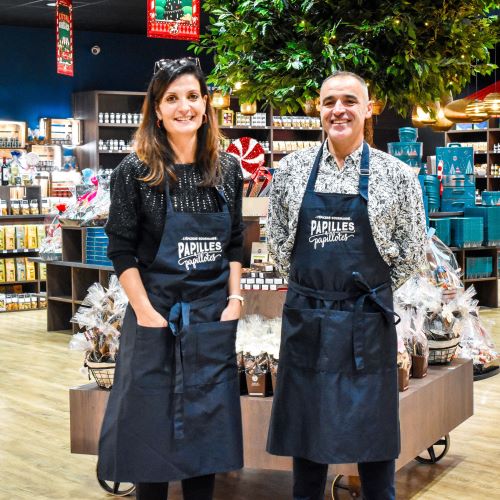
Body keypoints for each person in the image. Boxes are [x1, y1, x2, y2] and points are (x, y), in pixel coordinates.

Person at [266, 71, 427, 500]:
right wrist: (315, 293)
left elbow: (412, 252)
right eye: (329, 101)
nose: (338, 109)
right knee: (306, 436)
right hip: (307, 321)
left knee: (374, 441)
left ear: (368, 108)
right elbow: (278, 245)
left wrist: (362, 293)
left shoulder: (397, 177)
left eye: (349, 101)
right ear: (318, 109)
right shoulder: (291, 171)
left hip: (366, 323)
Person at [97, 57, 245, 500]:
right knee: (151, 440)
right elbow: (121, 249)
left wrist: (234, 298)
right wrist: (144, 311)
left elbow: (235, 241)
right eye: (172, 98)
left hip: (209, 323)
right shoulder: (134, 173)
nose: (185, 106)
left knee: (208, 440)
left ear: (206, 105)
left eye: (192, 96)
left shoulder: (229, 171)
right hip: (155, 323)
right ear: (156, 110)